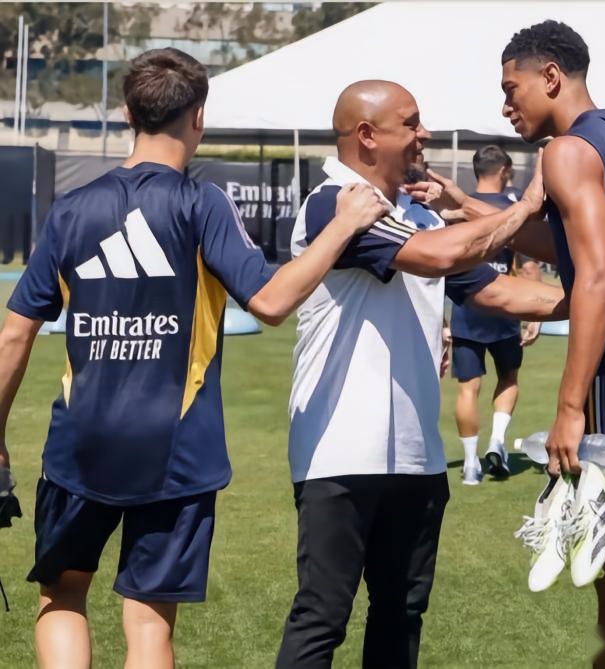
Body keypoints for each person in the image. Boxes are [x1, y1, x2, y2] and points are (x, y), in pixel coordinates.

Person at [0, 48, 388, 669]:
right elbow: (271, 301)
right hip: (174, 450)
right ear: (199, 117)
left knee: (63, 595)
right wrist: (343, 224)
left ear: (128, 115)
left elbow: (13, 337)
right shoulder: (201, 203)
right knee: (148, 625)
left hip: (79, 445)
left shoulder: (70, 209)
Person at [428, 20, 605, 667]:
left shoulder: (567, 152)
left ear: (550, 76)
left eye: (511, 88)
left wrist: (569, 407)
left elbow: (599, 278)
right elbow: (574, 244)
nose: (505, 105)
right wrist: (470, 206)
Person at [276, 79, 567, 669]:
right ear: (366, 135)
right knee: (322, 618)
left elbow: (499, 293)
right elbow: (439, 256)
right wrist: (526, 207)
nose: (424, 134)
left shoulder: (415, 215)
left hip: (418, 459)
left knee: (402, 615)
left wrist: (600, 299)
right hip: (339, 454)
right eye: (411, 123)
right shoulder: (336, 203)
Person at [450, 145, 542, 484]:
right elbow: (528, 265)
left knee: (467, 388)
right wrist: (534, 315)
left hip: (467, 306)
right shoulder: (515, 209)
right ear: (505, 170)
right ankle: (497, 443)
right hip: (504, 306)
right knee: (509, 377)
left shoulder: (459, 208)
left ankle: (470, 464)